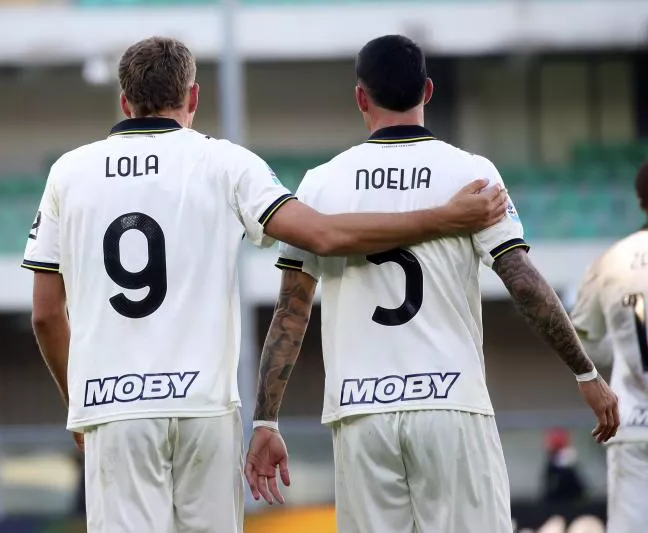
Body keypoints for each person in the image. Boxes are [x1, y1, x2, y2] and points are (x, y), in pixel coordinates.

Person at [22, 36, 506, 533]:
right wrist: (444, 217)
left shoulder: (68, 173)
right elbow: (324, 234)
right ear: (193, 98)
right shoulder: (226, 163)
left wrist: (76, 401)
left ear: (125, 102)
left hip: (112, 406)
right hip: (203, 406)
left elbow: (45, 314)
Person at [245, 34, 620, 533]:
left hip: (360, 412)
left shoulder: (321, 184)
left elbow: (292, 311)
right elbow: (524, 284)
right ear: (427, 89)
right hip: (451, 402)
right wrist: (586, 373)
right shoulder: (471, 174)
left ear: (360, 97)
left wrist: (267, 419)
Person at [571, 162, 648, 533]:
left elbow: (580, 337)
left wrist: (622, 353)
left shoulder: (611, 259)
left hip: (631, 421)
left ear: (640, 201)